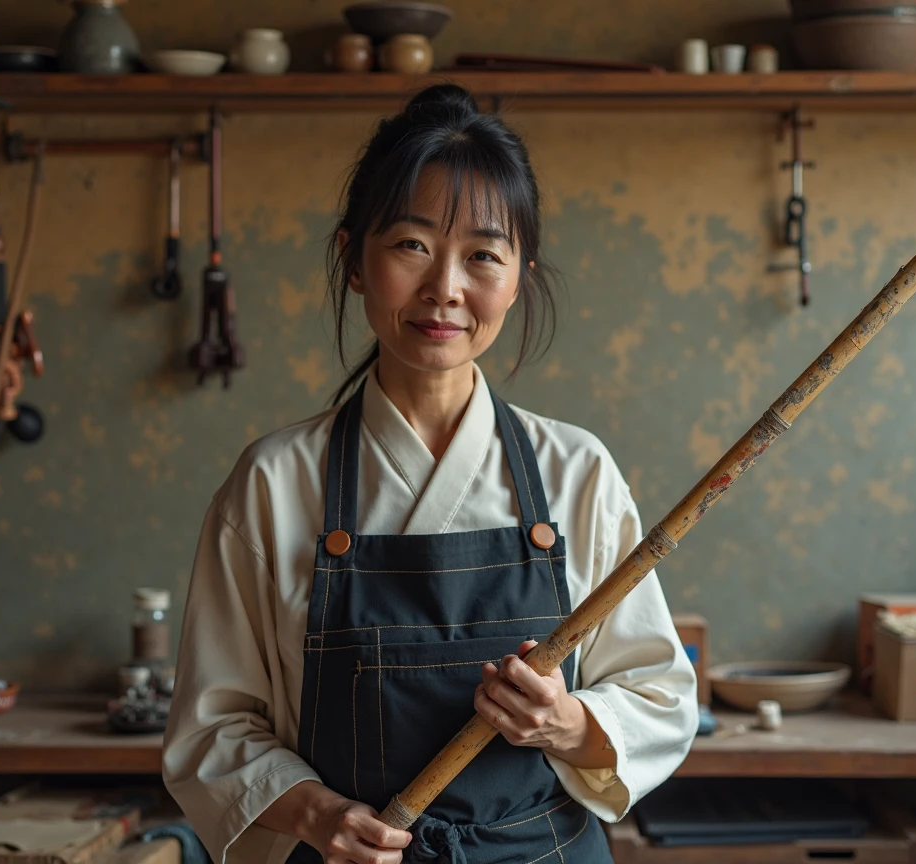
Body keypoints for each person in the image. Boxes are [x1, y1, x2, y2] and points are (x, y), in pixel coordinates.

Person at [162, 83, 698, 864]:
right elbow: (212, 729)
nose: (445, 287)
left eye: (482, 255)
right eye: (412, 245)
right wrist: (317, 815)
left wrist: (566, 724)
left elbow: (659, 696)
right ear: (354, 258)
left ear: (518, 276)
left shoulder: (575, 472)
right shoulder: (274, 482)